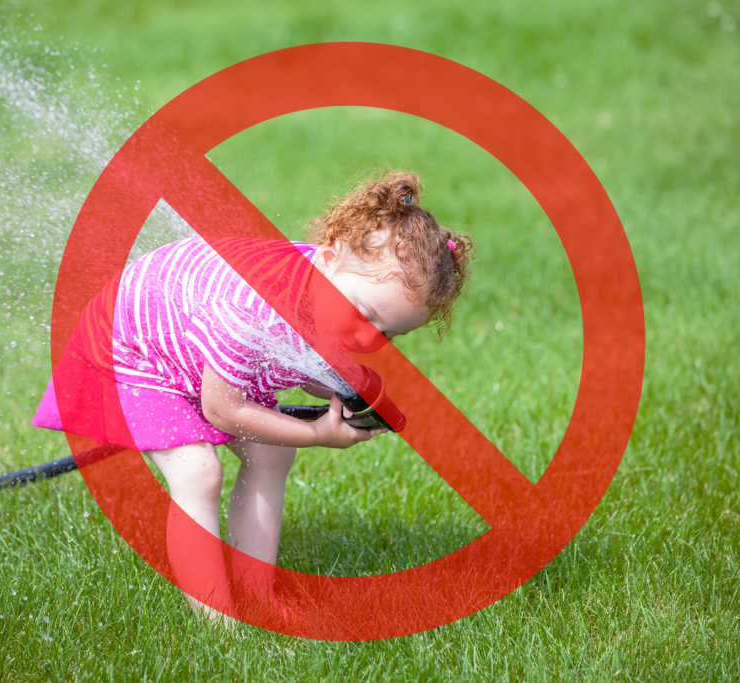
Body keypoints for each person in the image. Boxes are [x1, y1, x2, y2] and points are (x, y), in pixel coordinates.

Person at [32, 170, 473, 623]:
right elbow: (222, 409)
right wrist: (315, 433)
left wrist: (348, 398)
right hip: (133, 351)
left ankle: (257, 596)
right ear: (328, 254)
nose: (366, 338)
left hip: (201, 352)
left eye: (386, 333)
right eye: (364, 315)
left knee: (271, 457)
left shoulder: (331, 285)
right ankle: (218, 622)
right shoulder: (251, 313)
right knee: (199, 472)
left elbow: (308, 365)